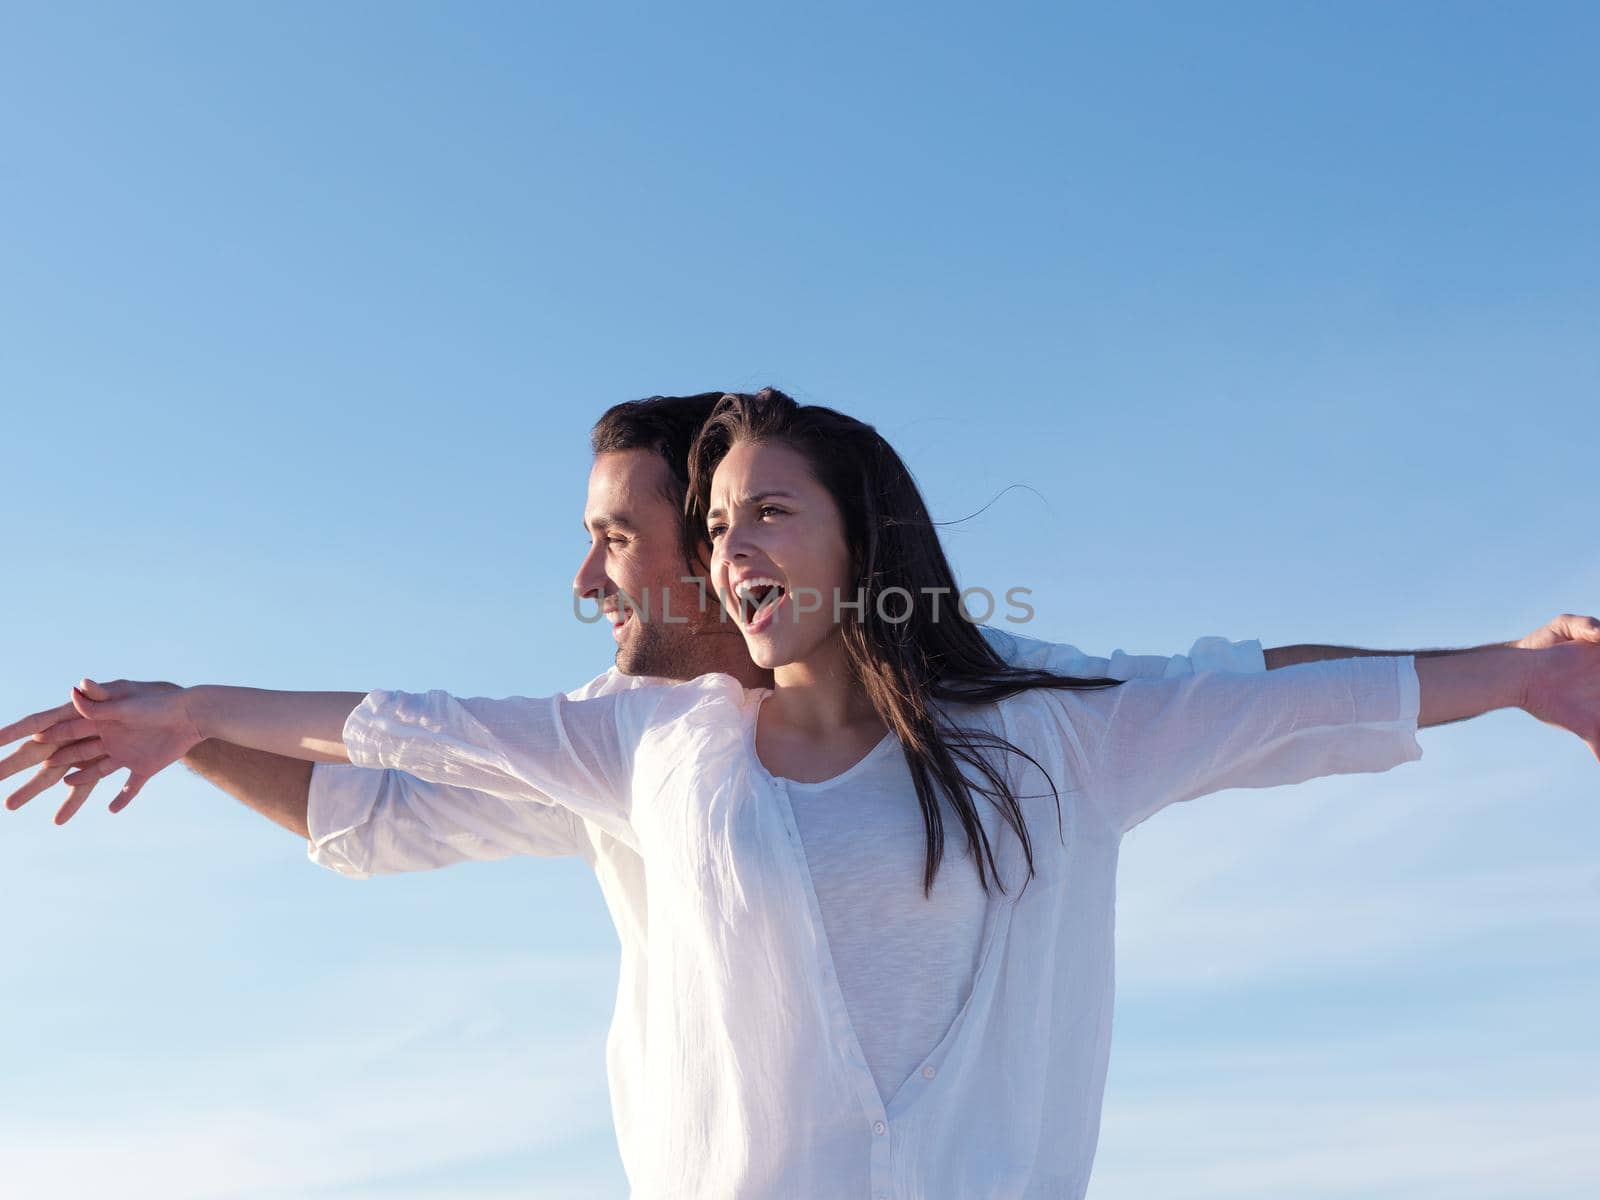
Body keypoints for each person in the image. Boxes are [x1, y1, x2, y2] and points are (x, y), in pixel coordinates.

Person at [7, 388, 1596, 1199]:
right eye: (701, 526)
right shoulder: (643, 748)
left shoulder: (1034, 722)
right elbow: (399, 757)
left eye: (688, 527)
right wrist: (192, 713)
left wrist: (1517, 669)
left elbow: (1251, 693)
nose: (674, 563)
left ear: (856, 531)